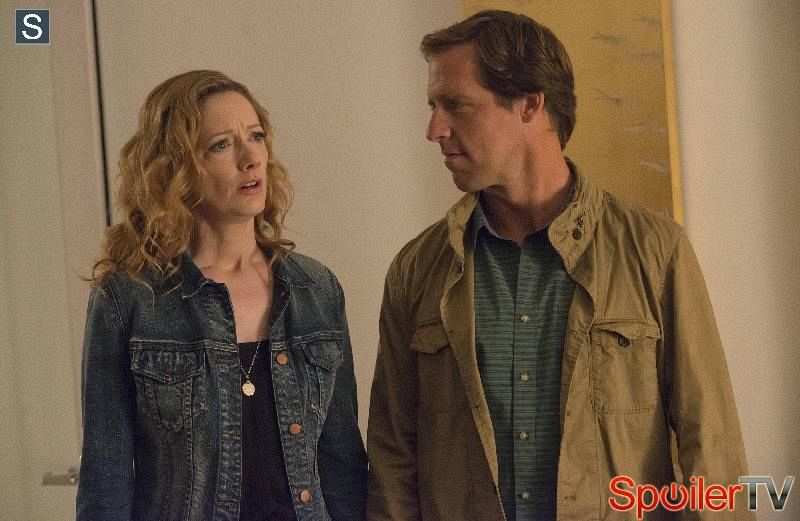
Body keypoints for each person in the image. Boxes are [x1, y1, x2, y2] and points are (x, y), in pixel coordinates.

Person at [367, 10, 751, 521]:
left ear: (530, 103)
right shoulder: (417, 269)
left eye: (455, 105)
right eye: (434, 107)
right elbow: (393, 463)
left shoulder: (656, 251)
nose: (434, 129)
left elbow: (713, 450)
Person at [76, 70, 367, 521]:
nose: (250, 158)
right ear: (175, 169)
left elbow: (342, 464)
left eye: (256, 136)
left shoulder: (316, 289)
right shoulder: (129, 299)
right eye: (221, 145)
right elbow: (105, 480)